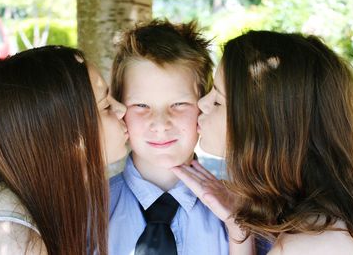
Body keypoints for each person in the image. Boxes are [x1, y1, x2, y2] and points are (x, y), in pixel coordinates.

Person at [172, 30, 353, 254]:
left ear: (265, 127)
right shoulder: (318, 222)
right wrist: (238, 228)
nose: (202, 104)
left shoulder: (315, 244)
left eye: (218, 101)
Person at [108, 20, 254, 255]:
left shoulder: (245, 212)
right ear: (119, 109)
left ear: (204, 105)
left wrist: (239, 229)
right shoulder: (88, 212)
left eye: (179, 104)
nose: (160, 123)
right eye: (141, 105)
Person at [0, 46, 128, 254]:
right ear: (61, 134)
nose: (122, 109)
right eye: (106, 106)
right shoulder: (5, 239)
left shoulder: (41, 204)